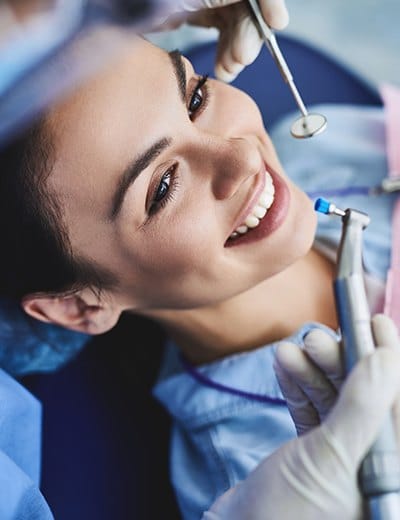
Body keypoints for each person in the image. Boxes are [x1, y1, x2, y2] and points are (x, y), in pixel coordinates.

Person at [1, 3, 400, 520]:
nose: (242, 158)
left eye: (194, 98)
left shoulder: (336, 152)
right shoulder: (257, 479)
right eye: (162, 187)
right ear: (79, 307)